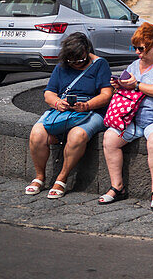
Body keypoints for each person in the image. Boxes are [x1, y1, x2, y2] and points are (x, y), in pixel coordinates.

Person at [99, 22, 153, 210]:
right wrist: (119, 86)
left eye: (141, 48)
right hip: (134, 119)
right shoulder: (134, 66)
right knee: (110, 138)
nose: (137, 52)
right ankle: (117, 187)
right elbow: (128, 90)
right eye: (134, 47)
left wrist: (136, 86)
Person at [25, 32, 112, 199]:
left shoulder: (100, 65)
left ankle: (62, 178)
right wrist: (58, 103)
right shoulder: (62, 66)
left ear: (87, 51)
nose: (76, 65)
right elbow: (49, 93)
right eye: (71, 62)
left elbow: (107, 94)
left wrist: (86, 105)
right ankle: (39, 176)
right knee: (37, 133)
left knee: (77, 134)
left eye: (79, 61)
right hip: (63, 109)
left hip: (92, 110)